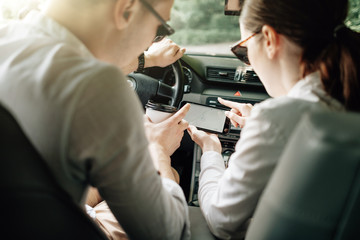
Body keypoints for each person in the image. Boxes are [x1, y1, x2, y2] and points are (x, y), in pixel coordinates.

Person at [0, 0, 191, 239]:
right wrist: (158, 149)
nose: (153, 39)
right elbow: (164, 232)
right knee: (169, 175)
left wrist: (147, 60)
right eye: (161, 27)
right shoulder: (98, 85)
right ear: (126, 9)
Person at [187, 0, 360, 239]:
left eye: (243, 50)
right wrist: (259, 130)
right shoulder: (345, 96)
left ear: (269, 39)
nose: (248, 63)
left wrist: (210, 151)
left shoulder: (276, 119)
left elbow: (220, 219)